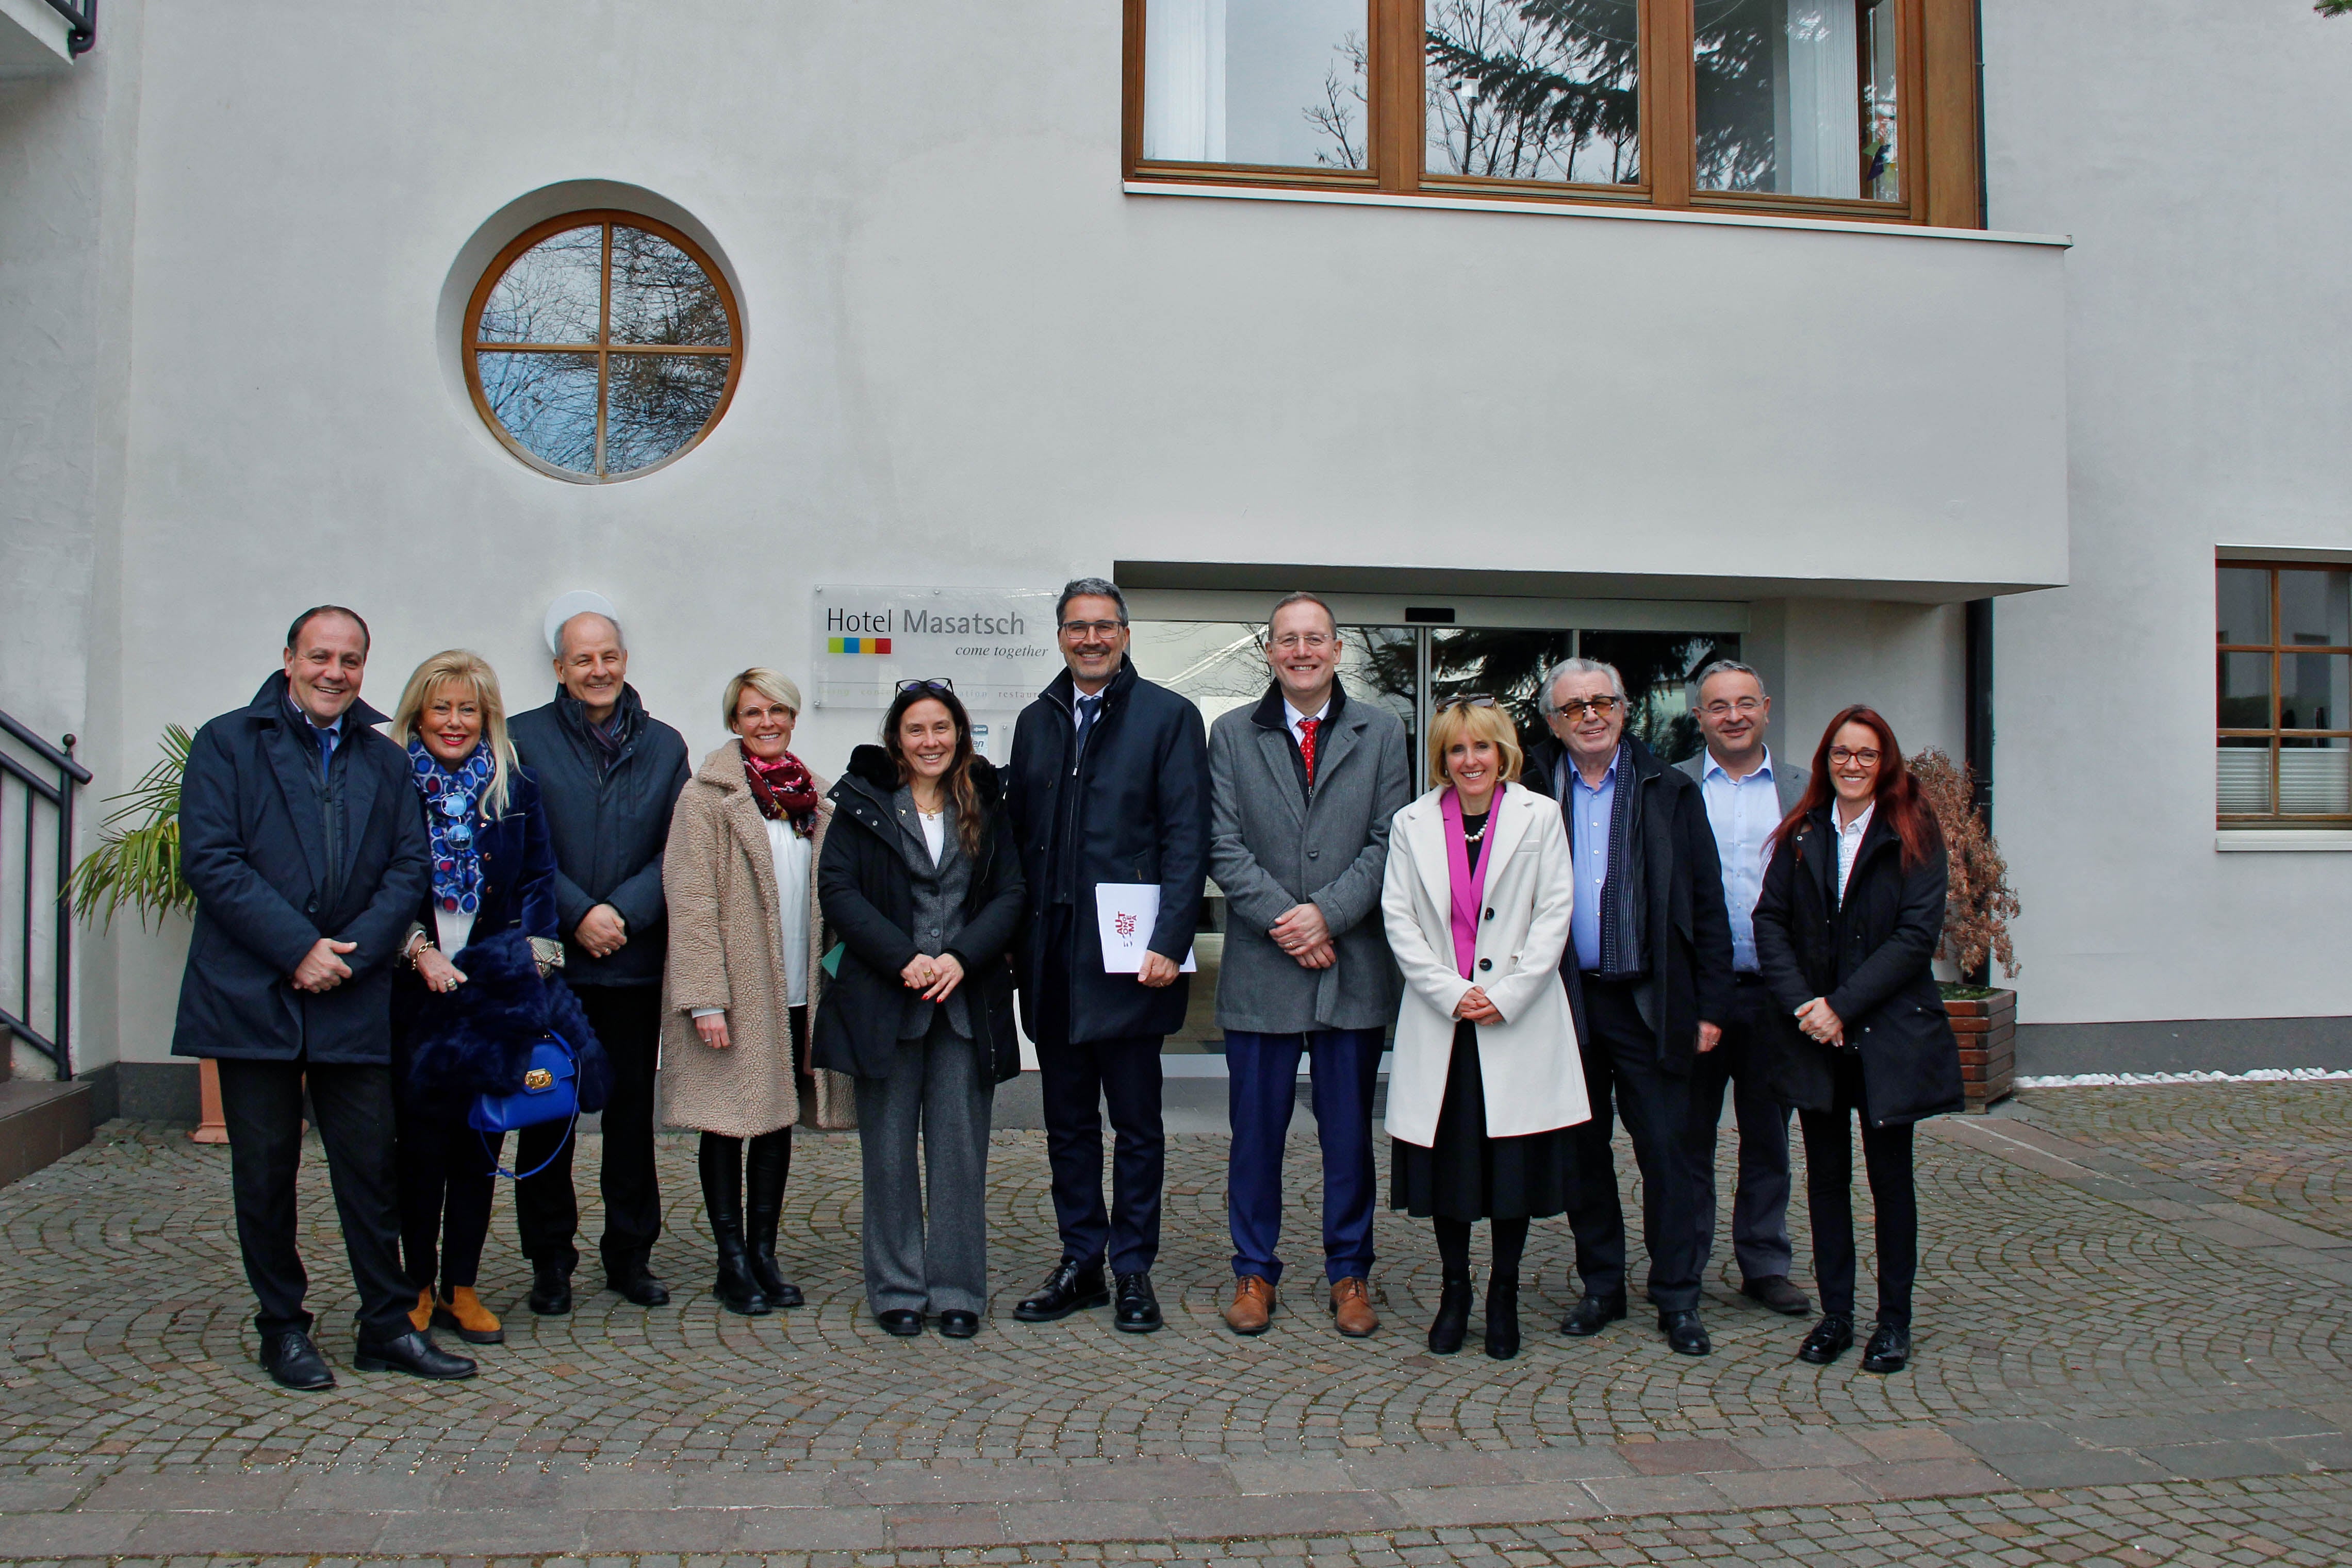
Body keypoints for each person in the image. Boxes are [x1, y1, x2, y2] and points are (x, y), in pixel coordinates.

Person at [172, 606, 474, 1388]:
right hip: (253, 991)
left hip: (351, 988)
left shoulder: (384, 760)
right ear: (289, 658)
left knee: (371, 1168)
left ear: (365, 667)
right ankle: (283, 1327)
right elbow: (212, 859)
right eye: (320, 657)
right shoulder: (227, 743)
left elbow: (409, 870)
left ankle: (386, 1323)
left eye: (350, 659)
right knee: (266, 1172)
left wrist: (349, 956)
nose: (334, 672)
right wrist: (295, 949)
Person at [1003, 577, 1211, 1333]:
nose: (1090, 639)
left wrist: (1171, 940)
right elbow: (1016, 841)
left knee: (1137, 1124)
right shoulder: (1036, 721)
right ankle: (1079, 1260)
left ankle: (1132, 1269)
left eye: (1103, 626)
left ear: (1125, 633)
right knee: (1066, 1125)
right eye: (1076, 627)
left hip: (1131, 959)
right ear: (1060, 636)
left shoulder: (1169, 716)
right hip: (1052, 958)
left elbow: (1189, 836)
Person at [1208, 592, 1411, 1339]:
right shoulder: (1230, 734)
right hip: (1263, 970)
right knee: (1254, 1134)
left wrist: (1328, 913)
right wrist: (1287, 922)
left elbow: (1392, 838)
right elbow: (1221, 844)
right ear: (1269, 651)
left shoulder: (1381, 731)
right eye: (1287, 640)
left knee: (1349, 1134)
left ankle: (1349, 1271)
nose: (1301, 651)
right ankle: (1253, 1271)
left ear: (1337, 649)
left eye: (1314, 639)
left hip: (1348, 965)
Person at [1525, 658, 1734, 1357]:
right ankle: (1602, 1285)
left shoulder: (1669, 788)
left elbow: (1708, 905)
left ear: (1624, 709)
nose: (1589, 715)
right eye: (1573, 707)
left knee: (1668, 1155)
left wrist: (1709, 1006)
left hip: (1652, 999)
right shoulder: (1528, 787)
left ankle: (1677, 1296)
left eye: (1602, 702)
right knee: (1581, 1154)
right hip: (1566, 999)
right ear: (1551, 722)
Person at [1753, 705, 1964, 1376]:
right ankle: (1836, 1315)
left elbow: (1913, 939)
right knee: (1825, 1180)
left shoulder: (1914, 832)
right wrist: (1804, 1006)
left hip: (1883, 1036)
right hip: (1814, 1033)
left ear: (1885, 763)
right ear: (1826, 761)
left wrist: (1840, 1007)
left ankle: (1893, 1322)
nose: (1852, 765)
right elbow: (1770, 925)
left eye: (1866, 755)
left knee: (1889, 1182)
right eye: (1841, 753)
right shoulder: (1800, 832)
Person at [816, 681, 1026, 1338]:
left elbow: (1012, 892)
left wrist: (962, 956)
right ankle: (897, 1287)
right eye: (916, 729)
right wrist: (902, 956)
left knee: (960, 1155)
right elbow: (838, 890)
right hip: (887, 999)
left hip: (964, 1005)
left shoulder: (987, 802)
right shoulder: (862, 802)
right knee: (887, 1155)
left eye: (941, 728)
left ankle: (958, 1288)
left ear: (959, 734)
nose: (930, 741)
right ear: (896, 739)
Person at [1381, 697, 1584, 1360]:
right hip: (1444, 1022)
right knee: (1449, 1169)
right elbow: (1400, 921)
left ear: (1503, 754)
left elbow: (1556, 913)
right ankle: (1454, 1289)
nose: (1469, 761)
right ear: (1441, 759)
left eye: (1481, 748)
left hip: (1514, 1020)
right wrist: (1453, 992)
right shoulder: (1411, 823)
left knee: (1508, 1170)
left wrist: (1506, 993)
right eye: (1456, 750)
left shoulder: (1539, 815)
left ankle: (1502, 1292)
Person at [508, 607, 690, 1313]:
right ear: (559, 668)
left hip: (633, 961)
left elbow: (675, 848)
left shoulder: (665, 745)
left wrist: (624, 913)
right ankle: (549, 1261)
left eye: (608, 656)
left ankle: (629, 1254)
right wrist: (580, 912)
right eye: (582, 659)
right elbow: (520, 842)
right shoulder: (521, 738)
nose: (598, 670)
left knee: (628, 1117)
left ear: (624, 660)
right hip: (552, 964)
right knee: (544, 1111)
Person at [660, 669, 852, 1315]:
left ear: (793, 716)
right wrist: (704, 997)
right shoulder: (707, 797)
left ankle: (764, 1252)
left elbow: (836, 903)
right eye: (751, 712)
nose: (766, 721)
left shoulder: (817, 799)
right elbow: (689, 900)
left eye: (777, 709)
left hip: (799, 988)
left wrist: (837, 975)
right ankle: (730, 1260)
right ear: (734, 721)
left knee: (775, 1119)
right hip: (737, 991)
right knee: (728, 1121)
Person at [387, 650, 562, 1349]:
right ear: (419, 713)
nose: (455, 722)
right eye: (442, 708)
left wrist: (535, 961)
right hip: (415, 992)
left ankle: (463, 1285)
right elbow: (376, 882)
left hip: (490, 993)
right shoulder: (389, 783)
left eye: (469, 709)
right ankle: (416, 1287)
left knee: (481, 1145)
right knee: (420, 1150)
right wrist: (411, 945)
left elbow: (540, 879)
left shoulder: (515, 784)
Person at [1673, 661, 1812, 1318]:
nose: (1732, 716)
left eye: (1745, 703)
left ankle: (1764, 1261)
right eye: (1717, 706)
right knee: (1688, 1136)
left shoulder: (1802, 790)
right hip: (1699, 992)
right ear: (1698, 717)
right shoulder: (1671, 787)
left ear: (1765, 708)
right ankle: (1686, 1264)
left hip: (1772, 992)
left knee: (1767, 1135)